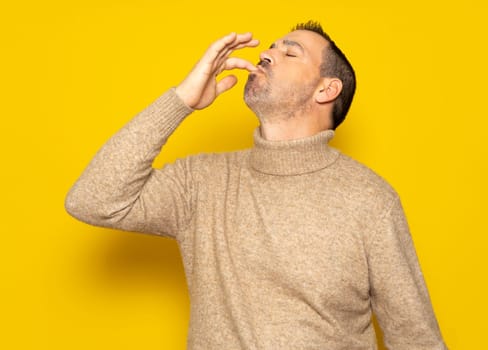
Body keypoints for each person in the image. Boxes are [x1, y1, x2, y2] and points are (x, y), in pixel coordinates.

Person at [65, 21, 447, 350]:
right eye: (271, 47)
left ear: (325, 90)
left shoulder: (370, 199)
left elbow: (415, 339)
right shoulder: (201, 183)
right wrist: (181, 100)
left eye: (290, 53)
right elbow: (93, 200)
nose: (267, 54)